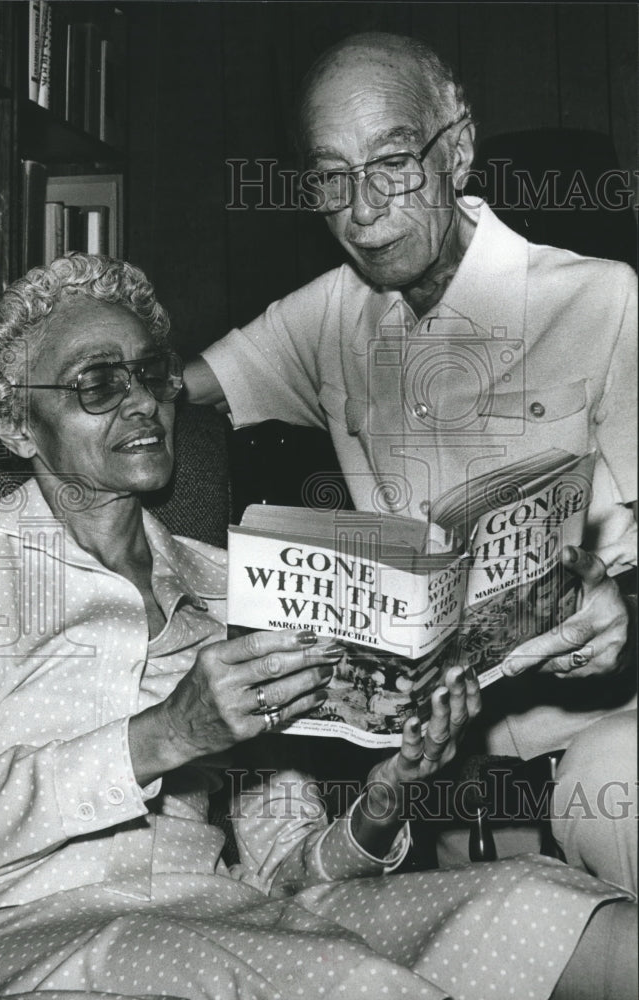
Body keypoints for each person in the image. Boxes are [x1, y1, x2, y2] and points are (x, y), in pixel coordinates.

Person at [0, 253, 635, 1000]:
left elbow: (286, 871)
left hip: (234, 916)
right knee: (331, 973)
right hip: (17, 930)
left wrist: (389, 791)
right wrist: (166, 735)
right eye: (98, 382)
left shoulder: (236, 579)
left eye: (151, 374)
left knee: (541, 909)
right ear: (17, 424)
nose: (142, 401)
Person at [184, 32, 637, 889]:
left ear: (456, 149)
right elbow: (156, 396)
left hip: (599, 745)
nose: (362, 209)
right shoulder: (323, 316)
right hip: (421, 787)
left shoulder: (605, 299)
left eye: (391, 162)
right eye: (330, 175)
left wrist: (627, 621)